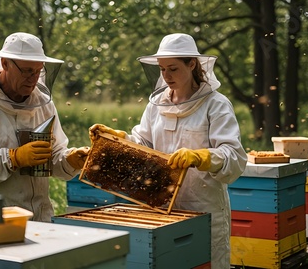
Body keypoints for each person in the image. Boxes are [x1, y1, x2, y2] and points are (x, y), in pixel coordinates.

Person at [90, 33, 247, 269]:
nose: (166, 75)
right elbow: (144, 144)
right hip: (163, 207)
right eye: (162, 69)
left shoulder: (216, 104)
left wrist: (203, 157)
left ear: (192, 64)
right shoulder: (156, 104)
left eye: (173, 68)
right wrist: (121, 140)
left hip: (204, 207)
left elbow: (234, 155)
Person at [0, 32, 89, 222]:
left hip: (40, 218)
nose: (33, 79)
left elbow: (52, 156)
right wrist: (13, 158)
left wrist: (70, 160)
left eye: (38, 71)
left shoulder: (43, 103)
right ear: (5, 63)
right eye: (26, 71)